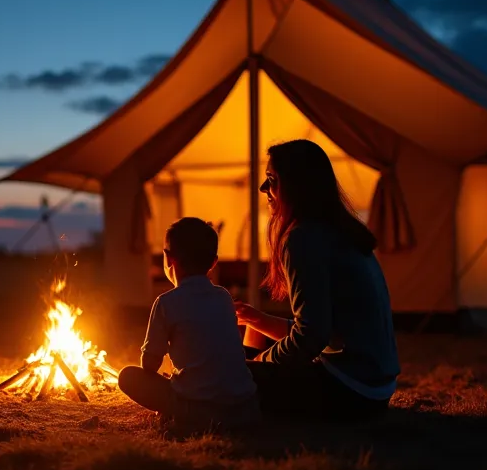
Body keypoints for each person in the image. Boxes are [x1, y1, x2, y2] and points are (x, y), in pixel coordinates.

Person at [235, 139, 400, 421]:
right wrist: (258, 320)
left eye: (271, 180)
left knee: (220, 375)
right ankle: (242, 375)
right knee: (254, 331)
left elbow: (311, 336)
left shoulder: (303, 238)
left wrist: (259, 363)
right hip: (377, 387)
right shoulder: (340, 231)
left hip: (349, 390)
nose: (264, 189)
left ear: (297, 185)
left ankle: (189, 393)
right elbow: (325, 329)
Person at [116, 217, 260, 435]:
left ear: (168, 259)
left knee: (128, 376)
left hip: (197, 411)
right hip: (245, 409)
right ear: (213, 262)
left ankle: (183, 418)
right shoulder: (223, 297)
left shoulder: (165, 302)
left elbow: (149, 365)